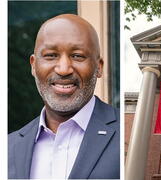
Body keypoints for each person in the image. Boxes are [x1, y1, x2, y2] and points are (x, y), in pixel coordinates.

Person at [8, 14, 120, 179]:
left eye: (77, 56)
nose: (63, 69)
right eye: (51, 56)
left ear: (98, 67)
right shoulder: (8, 147)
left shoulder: (123, 135)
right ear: (33, 65)